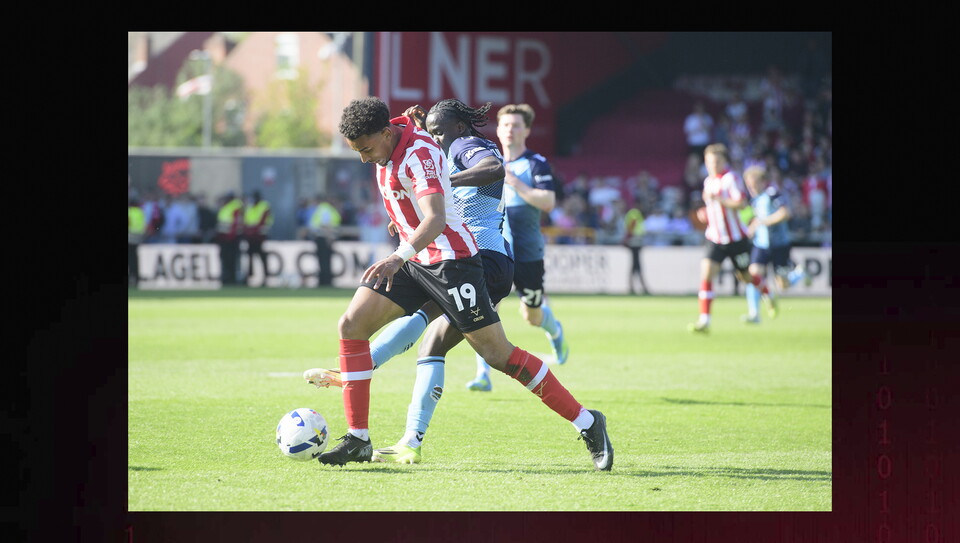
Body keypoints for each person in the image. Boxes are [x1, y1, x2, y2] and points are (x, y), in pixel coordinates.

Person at [304, 97, 612, 471]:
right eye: (357, 151)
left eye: (366, 150)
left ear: (386, 134)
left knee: (499, 356)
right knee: (351, 324)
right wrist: (402, 225)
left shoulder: (421, 153)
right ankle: (358, 438)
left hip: (453, 262)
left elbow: (435, 218)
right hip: (417, 259)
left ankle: (588, 421)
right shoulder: (393, 140)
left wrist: (396, 255)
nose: (364, 159)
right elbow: (406, 146)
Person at [306, 99, 516, 463]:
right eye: (429, 130)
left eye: (438, 130)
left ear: (458, 128)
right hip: (460, 255)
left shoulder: (465, 146)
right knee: (426, 336)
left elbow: (493, 169)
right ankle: (405, 436)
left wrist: (440, 186)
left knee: (445, 340)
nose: (434, 136)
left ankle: (363, 374)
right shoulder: (435, 149)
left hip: (477, 257)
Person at [467, 102, 570, 392]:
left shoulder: (535, 163)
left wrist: (513, 182)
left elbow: (548, 202)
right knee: (485, 309)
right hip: (495, 249)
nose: (510, 130)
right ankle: (482, 376)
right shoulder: (485, 161)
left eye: (516, 125)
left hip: (527, 254)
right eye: (505, 125)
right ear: (498, 129)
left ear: (526, 129)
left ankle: (555, 330)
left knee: (532, 316)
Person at [688, 143, 771, 333]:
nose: (712, 165)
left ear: (724, 161)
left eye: (716, 161)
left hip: (735, 238)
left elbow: (741, 203)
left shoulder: (730, 179)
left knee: (746, 277)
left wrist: (719, 200)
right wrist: (705, 213)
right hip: (715, 237)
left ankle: (767, 292)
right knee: (706, 273)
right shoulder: (708, 181)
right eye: (709, 161)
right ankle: (705, 320)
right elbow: (713, 209)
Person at [741, 165, 812, 323]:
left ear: (763, 182)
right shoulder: (752, 200)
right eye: (749, 184)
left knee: (783, 285)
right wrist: (750, 226)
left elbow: (785, 213)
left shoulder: (772, 194)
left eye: (754, 183)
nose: (751, 187)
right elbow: (750, 220)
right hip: (761, 245)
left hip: (779, 245)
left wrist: (762, 222)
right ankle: (754, 314)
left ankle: (799, 273)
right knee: (753, 275)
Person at [308, 194, 341, 286]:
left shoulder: (323, 209)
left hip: (323, 238)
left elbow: (326, 225)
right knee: (325, 260)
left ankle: (324, 281)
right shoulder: (328, 209)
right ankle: (326, 281)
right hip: (325, 238)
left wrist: (328, 238)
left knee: (324, 261)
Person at [243, 190, 273, 287]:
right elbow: (246, 221)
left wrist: (251, 230)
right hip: (251, 238)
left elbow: (262, 222)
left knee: (262, 258)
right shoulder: (249, 207)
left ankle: (265, 278)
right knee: (250, 258)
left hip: (261, 237)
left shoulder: (264, 206)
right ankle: (249, 278)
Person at [215, 191, 244, 286]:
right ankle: (227, 278)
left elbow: (235, 224)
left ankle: (232, 279)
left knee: (232, 260)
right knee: (226, 259)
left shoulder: (234, 207)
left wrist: (231, 237)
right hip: (224, 239)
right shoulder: (226, 207)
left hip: (231, 239)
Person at [622, 202, 649, 295]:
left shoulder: (632, 213)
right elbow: (632, 225)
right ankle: (638, 286)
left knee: (635, 265)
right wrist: (628, 238)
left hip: (635, 241)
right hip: (635, 242)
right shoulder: (635, 213)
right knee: (636, 265)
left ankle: (632, 287)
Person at [128, 195, 146, 287]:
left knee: (131, 259)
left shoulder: (129, 212)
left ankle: (131, 276)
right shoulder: (140, 212)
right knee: (135, 259)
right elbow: (143, 225)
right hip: (138, 238)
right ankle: (137, 277)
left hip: (130, 238)